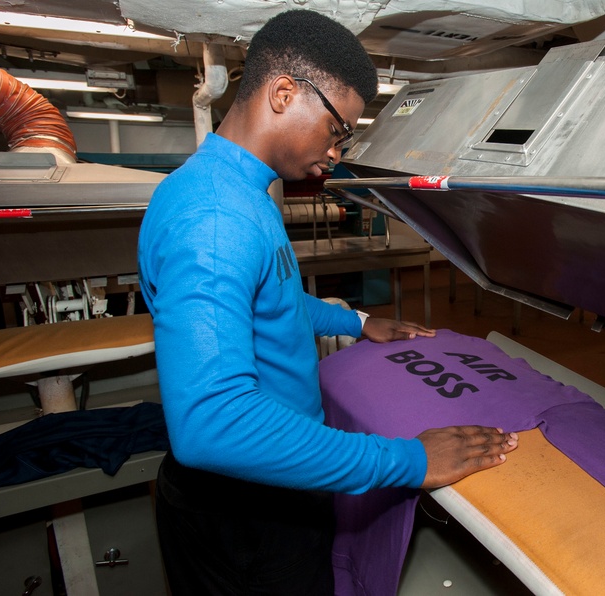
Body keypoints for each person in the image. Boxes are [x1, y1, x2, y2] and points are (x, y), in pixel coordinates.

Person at [137, 10, 518, 594]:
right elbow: (212, 424)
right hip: (245, 515)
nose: (337, 152)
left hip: (272, 490)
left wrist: (357, 321)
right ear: (285, 93)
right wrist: (410, 462)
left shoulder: (237, 189)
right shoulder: (213, 217)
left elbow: (274, 300)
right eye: (338, 129)